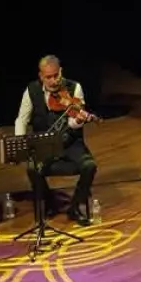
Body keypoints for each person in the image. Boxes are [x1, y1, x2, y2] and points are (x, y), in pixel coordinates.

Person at [14, 55, 99, 224]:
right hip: (44, 143)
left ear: (61, 71)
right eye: (48, 77)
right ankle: (49, 202)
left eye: (56, 76)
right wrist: (20, 144)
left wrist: (78, 120)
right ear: (41, 76)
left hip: (70, 143)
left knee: (89, 166)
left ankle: (75, 207)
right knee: (32, 169)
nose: (53, 81)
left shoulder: (74, 88)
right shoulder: (31, 90)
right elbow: (22, 120)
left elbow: (73, 123)